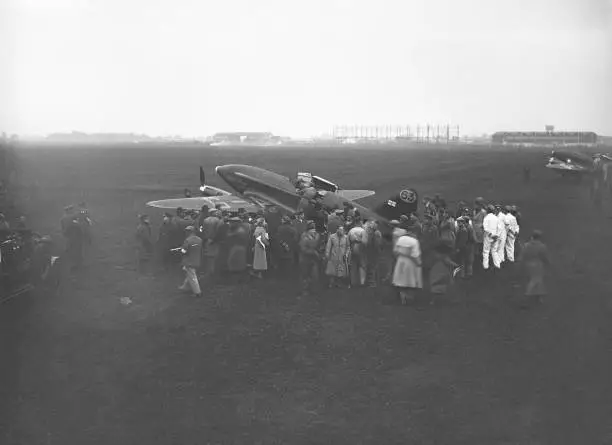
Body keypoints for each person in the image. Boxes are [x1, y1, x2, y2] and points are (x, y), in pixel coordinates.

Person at [518, 230, 550, 307]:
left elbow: (522, 255)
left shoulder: (527, 245)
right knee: (537, 279)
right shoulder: (542, 246)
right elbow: (544, 256)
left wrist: (520, 263)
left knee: (534, 279)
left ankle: (538, 296)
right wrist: (548, 263)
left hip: (528, 264)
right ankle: (530, 295)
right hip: (538, 264)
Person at [392, 227, 423, 305]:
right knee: (409, 280)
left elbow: (395, 251)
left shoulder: (400, 239)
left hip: (400, 260)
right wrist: (418, 263)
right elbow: (415, 255)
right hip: (410, 262)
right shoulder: (415, 241)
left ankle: (402, 296)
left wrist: (399, 257)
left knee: (400, 279)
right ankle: (409, 298)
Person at [176, 226, 202, 298]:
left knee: (192, 276)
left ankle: (197, 292)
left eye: (187, 231)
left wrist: (180, 249)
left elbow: (184, 251)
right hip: (197, 259)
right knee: (190, 274)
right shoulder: (199, 239)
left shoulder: (188, 240)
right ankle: (185, 287)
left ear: (189, 232)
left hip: (189, 261)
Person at [298, 220, 321, 296]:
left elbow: (318, 245)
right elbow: (303, 249)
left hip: (313, 259)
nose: (314, 231)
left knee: (314, 275)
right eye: (312, 230)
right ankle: (305, 290)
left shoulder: (317, 236)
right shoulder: (304, 237)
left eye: (314, 230)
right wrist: (313, 252)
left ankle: (313, 289)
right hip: (305, 258)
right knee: (305, 275)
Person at [275, 215, 298, 280]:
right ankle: (288, 278)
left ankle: (280, 277)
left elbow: (278, 238)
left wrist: (284, 244)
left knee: (281, 263)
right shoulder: (293, 229)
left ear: (284, 221)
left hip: (281, 248)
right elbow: (295, 239)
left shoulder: (279, 228)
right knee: (288, 264)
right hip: (290, 249)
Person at [348, 218, 366, 287]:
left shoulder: (351, 230)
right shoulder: (363, 231)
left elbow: (348, 241)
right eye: (361, 222)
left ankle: (353, 282)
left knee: (353, 265)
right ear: (359, 222)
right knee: (362, 265)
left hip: (353, 247)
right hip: (361, 248)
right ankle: (362, 282)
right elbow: (365, 241)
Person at [482, 204, 500, 271]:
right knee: (494, 251)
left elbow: (485, 228)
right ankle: (497, 266)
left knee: (486, 252)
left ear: (487, 210)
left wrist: (491, 235)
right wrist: (496, 235)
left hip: (488, 237)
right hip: (495, 237)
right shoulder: (496, 218)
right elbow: (499, 228)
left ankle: (486, 267)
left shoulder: (486, 218)